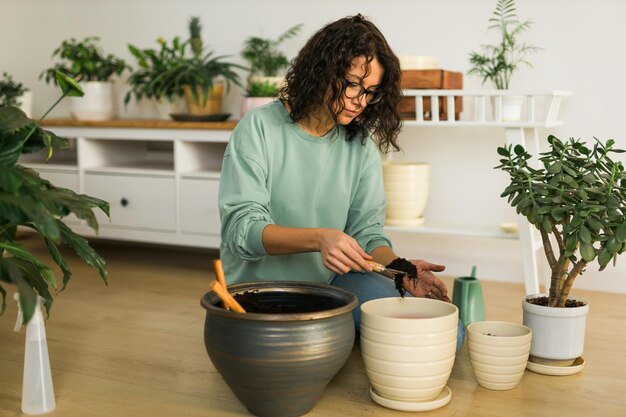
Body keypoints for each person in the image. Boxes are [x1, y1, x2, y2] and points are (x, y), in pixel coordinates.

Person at [218, 14, 461, 345]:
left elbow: (366, 233)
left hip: (335, 282)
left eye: (370, 91)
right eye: (352, 84)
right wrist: (321, 239)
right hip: (263, 289)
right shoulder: (259, 128)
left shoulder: (359, 143)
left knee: (447, 335)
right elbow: (241, 231)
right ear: (322, 71)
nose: (359, 101)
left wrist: (399, 269)